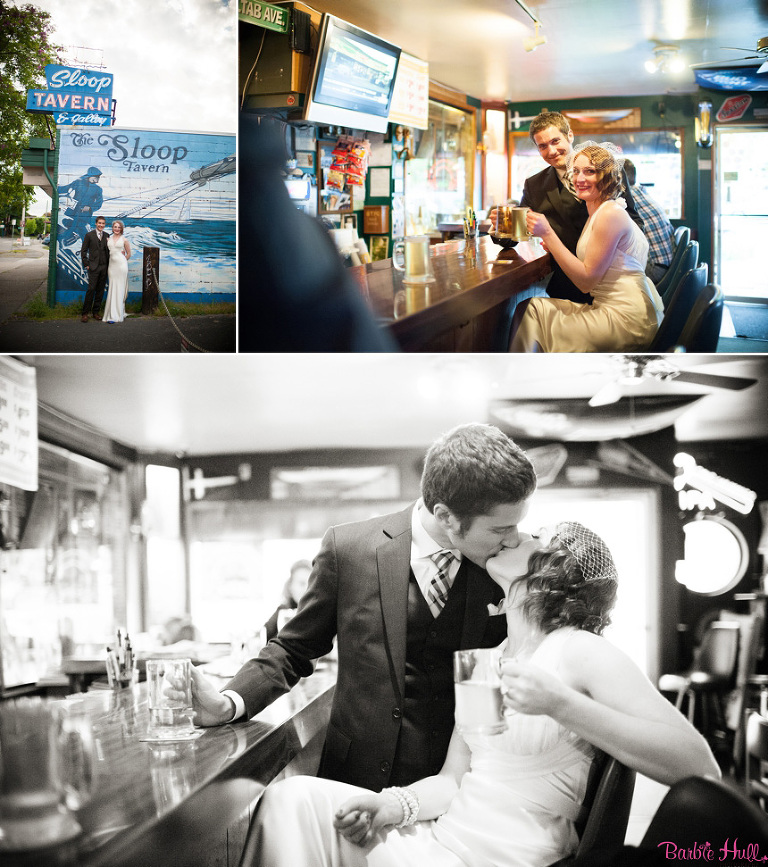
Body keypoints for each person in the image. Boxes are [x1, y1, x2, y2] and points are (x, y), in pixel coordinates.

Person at [246, 522, 720, 867]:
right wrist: (390, 805)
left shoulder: (580, 651)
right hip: (445, 840)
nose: (513, 535)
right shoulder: (489, 657)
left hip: (510, 857)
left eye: (529, 535)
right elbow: (453, 781)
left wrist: (562, 705)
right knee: (293, 800)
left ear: (549, 570)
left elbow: (698, 765)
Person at [186, 423, 537, 791]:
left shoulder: (509, 562)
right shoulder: (349, 549)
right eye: (500, 529)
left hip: (466, 785)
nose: (513, 538)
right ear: (446, 515)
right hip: (360, 780)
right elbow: (294, 648)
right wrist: (228, 703)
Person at [509, 142, 664, 353]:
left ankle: (521, 377)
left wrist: (548, 233)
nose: (579, 179)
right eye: (576, 171)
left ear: (606, 176)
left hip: (626, 319)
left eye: (589, 172)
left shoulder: (609, 214)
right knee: (527, 306)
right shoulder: (599, 210)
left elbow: (585, 282)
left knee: (533, 310)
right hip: (615, 307)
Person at [492, 111, 643, 305]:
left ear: (569, 136)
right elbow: (518, 232)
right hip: (567, 287)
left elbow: (635, 221)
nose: (551, 151)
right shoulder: (535, 185)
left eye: (555, 141)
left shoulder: (608, 170)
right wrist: (500, 226)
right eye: (543, 146)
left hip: (612, 284)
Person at [623, 159, 675, 286]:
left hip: (655, 268)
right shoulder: (641, 192)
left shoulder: (626, 199)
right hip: (667, 264)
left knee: (606, 277)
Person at [263, 559, 312, 641]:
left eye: (310, 584)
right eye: (302, 583)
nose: (307, 589)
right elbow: (264, 635)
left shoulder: (319, 613)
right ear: (290, 586)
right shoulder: (283, 612)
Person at [59, 167, 104, 245]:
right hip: (72, 214)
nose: (98, 179)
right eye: (97, 177)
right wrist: (56, 188)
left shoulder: (98, 189)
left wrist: (90, 208)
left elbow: (99, 203)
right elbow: (66, 188)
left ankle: (88, 252)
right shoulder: (78, 182)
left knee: (83, 233)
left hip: (84, 216)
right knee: (65, 223)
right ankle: (70, 238)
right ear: (92, 176)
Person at [80, 215, 110, 322]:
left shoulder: (107, 235)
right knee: (91, 289)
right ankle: (85, 313)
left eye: (103, 223)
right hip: (93, 267)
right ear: (96, 224)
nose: (101, 225)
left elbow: (109, 251)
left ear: (104, 225)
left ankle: (96, 312)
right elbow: (83, 251)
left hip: (104, 267)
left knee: (100, 291)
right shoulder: (89, 235)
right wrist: (86, 264)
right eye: (99, 223)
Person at [103, 220, 131, 324]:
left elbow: (129, 254)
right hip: (112, 267)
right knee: (112, 288)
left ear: (121, 229)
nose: (117, 229)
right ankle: (113, 312)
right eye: (115, 227)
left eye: (119, 227)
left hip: (121, 266)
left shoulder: (124, 240)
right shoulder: (108, 239)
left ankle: (115, 315)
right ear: (112, 228)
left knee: (119, 289)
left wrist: (123, 260)